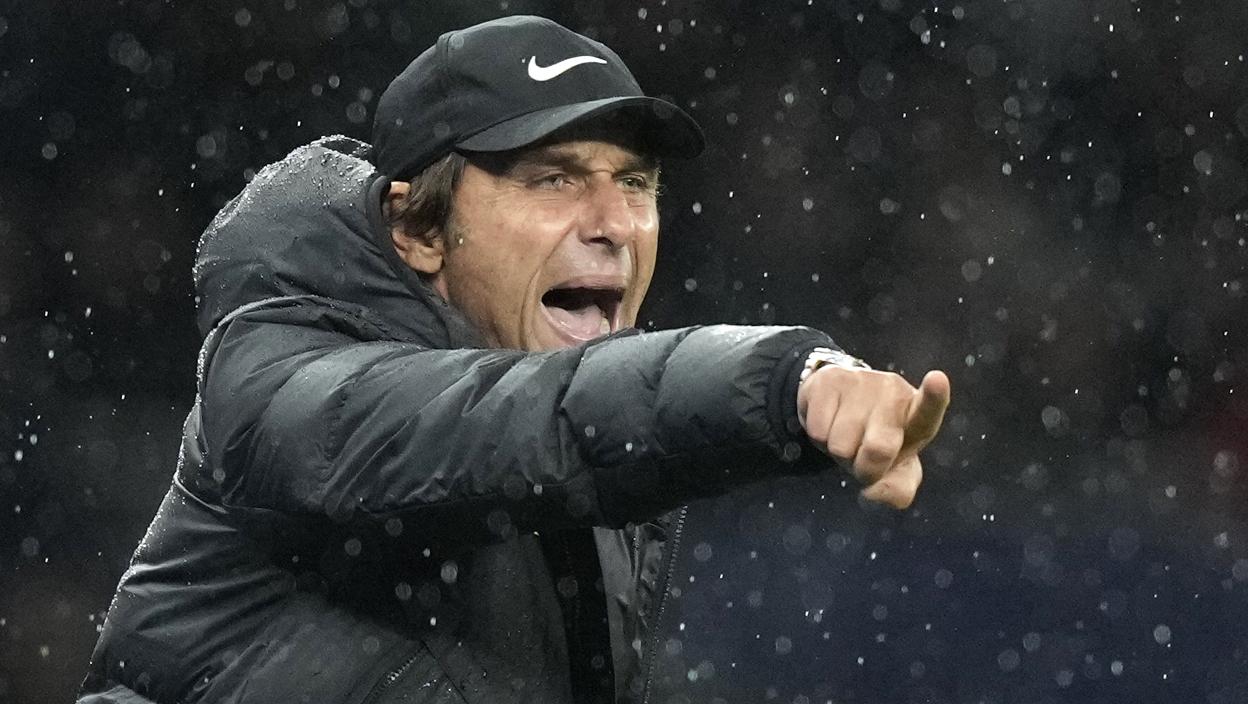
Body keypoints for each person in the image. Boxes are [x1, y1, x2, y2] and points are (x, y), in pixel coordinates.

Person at [77, 15, 950, 704]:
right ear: (419, 229)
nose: (615, 223)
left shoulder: (600, 449)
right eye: (553, 178)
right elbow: (522, 421)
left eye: (635, 182)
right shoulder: (282, 379)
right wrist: (780, 382)